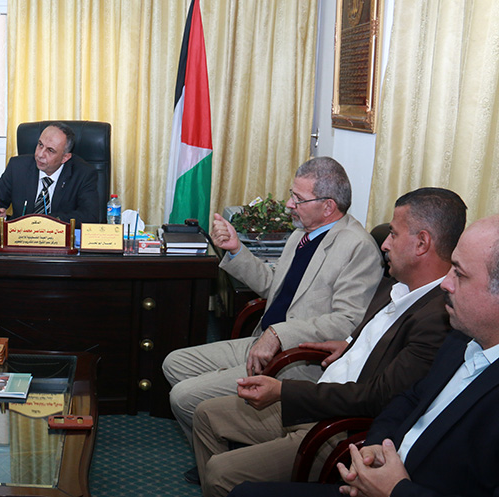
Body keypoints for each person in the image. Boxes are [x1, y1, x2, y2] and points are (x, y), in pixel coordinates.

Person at [192, 188, 465, 497]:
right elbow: (369, 334)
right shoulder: (396, 285)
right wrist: (349, 344)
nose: (385, 244)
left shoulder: (438, 318)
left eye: (393, 233)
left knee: (221, 472)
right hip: (319, 395)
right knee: (205, 415)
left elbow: (381, 396)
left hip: (337, 428)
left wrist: (284, 391)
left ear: (422, 243)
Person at [162, 157, 383, 462]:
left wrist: (279, 334)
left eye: (298, 199)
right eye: (292, 195)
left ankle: (223, 467)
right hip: (262, 341)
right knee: (174, 363)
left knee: (183, 396)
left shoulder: (358, 248)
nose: (290, 205)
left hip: (296, 360)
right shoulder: (302, 234)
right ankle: (222, 446)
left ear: (328, 206)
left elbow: (347, 323)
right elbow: (272, 284)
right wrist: (236, 249)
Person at [0, 122, 102, 223]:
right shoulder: (17, 167)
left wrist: (47, 221)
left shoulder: (83, 174)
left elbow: (89, 216)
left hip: (59, 240)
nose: (40, 154)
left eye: (50, 150)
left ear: (65, 157)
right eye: (40, 145)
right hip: (21, 239)